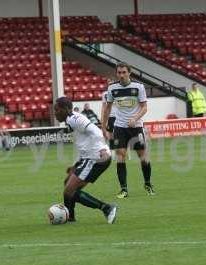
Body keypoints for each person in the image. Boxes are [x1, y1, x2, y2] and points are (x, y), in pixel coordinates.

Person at [54, 97, 117, 224]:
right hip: (90, 158)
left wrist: (102, 150)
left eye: (57, 109)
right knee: (68, 184)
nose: (55, 112)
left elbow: (96, 132)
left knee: (69, 190)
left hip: (95, 158)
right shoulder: (70, 119)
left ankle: (107, 208)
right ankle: (70, 216)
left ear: (65, 109)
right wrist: (75, 164)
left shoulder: (74, 119)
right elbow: (83, 144)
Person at [101, 62, 155, 199]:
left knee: (143, 157)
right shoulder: (112, 88)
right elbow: (107, 108)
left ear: (129, 73)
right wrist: (103, 126)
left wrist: (135, 118)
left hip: (136, 127)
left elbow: (144, 107)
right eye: (119, 72)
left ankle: (148, 184)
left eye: (124, 72)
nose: (121, 75)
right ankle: (124, 189)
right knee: (120, 157)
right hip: (119, 127)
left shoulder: (138, 87)